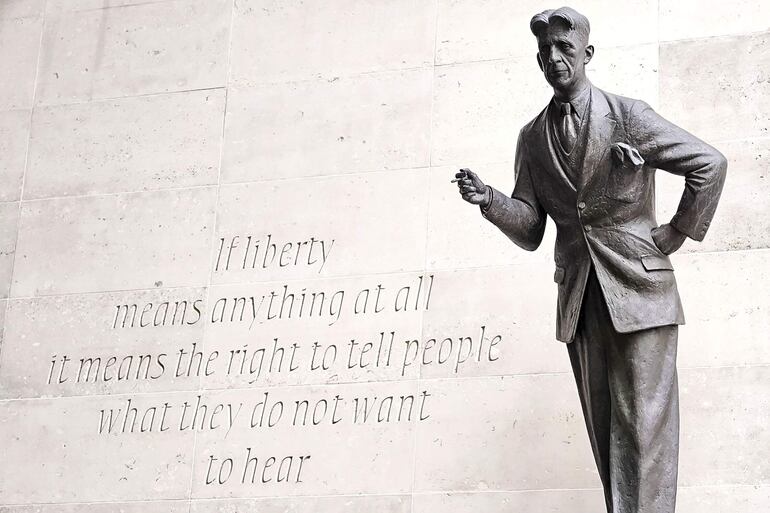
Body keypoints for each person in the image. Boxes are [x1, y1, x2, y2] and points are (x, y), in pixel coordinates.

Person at [454, 7, 727, 513]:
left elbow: (709, 164)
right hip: (581, 299)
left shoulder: (629, 116)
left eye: (565, 49)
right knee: (607, 437)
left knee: (644, 433)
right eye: (545, 52)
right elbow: (532, 228)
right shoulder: (532, 138)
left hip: (641, 293)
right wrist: (489, 200)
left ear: (587, 53)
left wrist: (675, 233)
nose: (555, 59)